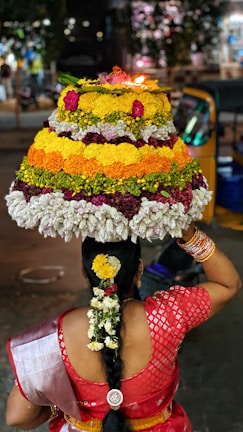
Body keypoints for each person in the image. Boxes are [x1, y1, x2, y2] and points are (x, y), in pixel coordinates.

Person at [5, 223, 241, 431]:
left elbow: (17, 416)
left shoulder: (56, 335)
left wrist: (65, 406)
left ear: (85, 274)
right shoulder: (169, 316)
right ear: (139, 269)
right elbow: (228, 284)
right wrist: (189, 234)